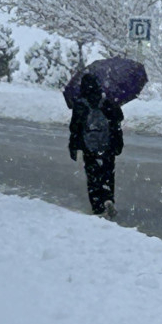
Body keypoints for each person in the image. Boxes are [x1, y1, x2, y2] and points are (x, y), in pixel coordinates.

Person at [68, 74, 124, 219]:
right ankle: (108, 198)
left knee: (93, 176)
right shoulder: (107, 101)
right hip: (108, 145)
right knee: (107, 174)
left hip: (89, 147)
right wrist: (118, 143)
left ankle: (97, 207)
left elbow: (75, 128)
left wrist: (73, 147)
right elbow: (117, 120)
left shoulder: (80, 103)